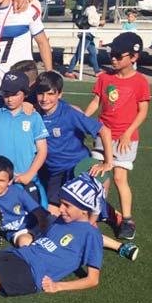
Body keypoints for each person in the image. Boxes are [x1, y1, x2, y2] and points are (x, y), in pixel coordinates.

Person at [84, 32, 149, 240]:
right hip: (102, 136)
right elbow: (96, 102)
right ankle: (95, 213)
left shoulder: (140, 81)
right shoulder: (104, 78)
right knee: (99, 177)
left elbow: (143, 111)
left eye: (119, 56)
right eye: (112, 54)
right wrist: (83, 121)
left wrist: (127, 134)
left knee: (120, 177)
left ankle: (127, 219)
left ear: (134, 57)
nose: (113, 58)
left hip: (124, 139)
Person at [34, 71, 113, 215]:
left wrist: (108, 162)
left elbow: (104, 131)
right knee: (53, 213)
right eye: (41, 93)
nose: (45, 99)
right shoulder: (33, 113)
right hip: (55, 172)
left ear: (60, 95)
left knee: (83, 206)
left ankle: (99, 218)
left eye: (51, 94)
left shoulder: (69, 113)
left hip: (77, 166)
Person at [0, 71, 49, 208]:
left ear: (25, 94)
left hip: (24, 178)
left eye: (15, 94)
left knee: (37, 216)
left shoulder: (34, 117)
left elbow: (42, 150)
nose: (10, 99)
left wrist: (29, 174)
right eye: (6, 94)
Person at [65, 0, 103, 79]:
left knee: (93, 53)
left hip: (89, 34)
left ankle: (97, 71)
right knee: (79, 53)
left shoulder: (88, 9)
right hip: (87, 34)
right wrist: (100, 23)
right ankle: (69, 71)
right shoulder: (92, 9)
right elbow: (91, 21)